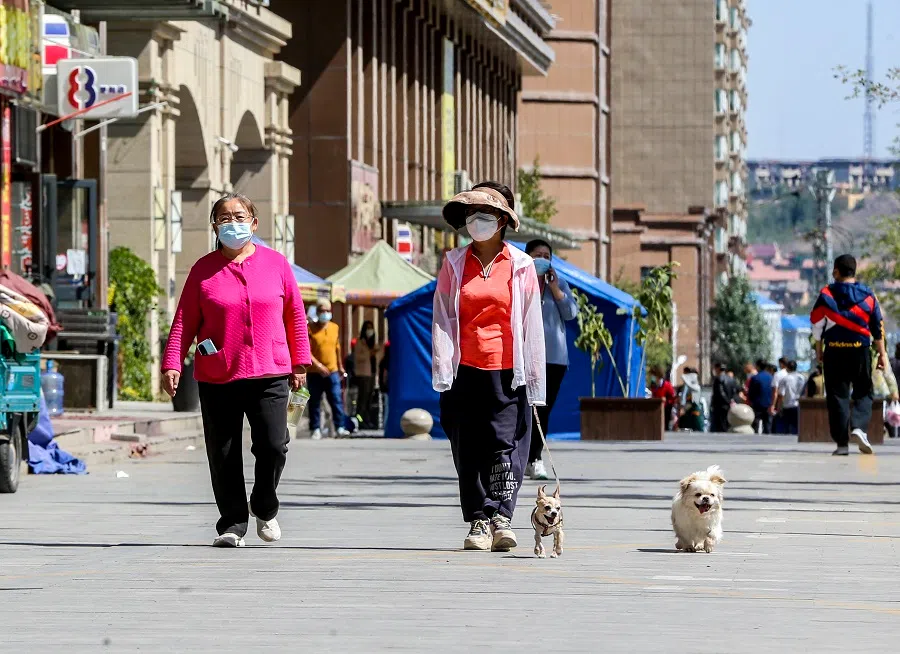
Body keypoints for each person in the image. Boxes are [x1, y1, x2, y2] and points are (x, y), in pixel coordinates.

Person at [161, 192, 310, 548]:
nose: (233, 223)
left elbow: (295, 316)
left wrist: (300, 362)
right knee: (223, 453)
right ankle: (232, 523)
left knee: (274, 446)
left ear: (254, 223)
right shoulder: (203, 269)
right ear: (214, 225)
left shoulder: (276, 264)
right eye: (224, 218)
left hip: (270, 373)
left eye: (239, 216)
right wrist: (171, 363)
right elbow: (184, 320)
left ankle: (264, 505)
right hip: (219, 375)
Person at [433, 180, 545, 553]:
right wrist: (443, 367)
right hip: (465, 369)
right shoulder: (452, 263)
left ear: (501, 220)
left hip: (507, 369)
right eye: (471, 214)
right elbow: (443, 317)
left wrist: (533, 375)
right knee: (468, 445)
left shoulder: (522, 265)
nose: (476, 221)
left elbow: (531, 322)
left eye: (485, 214)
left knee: (505, 444)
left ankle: (501, 516)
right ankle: (478, 519)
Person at [810, 254, 888, 456]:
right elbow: (877, 326)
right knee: (863, 390)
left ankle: (842, 444)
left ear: (836, 271)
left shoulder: (826, 295)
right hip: (859, 349)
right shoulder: (868, 296)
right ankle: (859, 428)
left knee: (837, 396)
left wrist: (819, 350)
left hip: (834, 350)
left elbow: (816, 324)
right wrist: (882, 354)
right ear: (854, 271)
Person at [524, 238, 577, 481]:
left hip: (554, 358)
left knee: (543, 410)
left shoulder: (560, 284)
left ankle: (535, 459)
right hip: (525, 356)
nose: (542, 260)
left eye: (547, 256)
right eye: (537, 255)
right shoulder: (519, 284)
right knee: (523, 409)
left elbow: (571, 313)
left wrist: (556, 290)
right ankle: (522, 457)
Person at [308, 299, 350, 439]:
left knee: (336, 399)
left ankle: (340, 427)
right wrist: (318, 366)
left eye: (327, 310)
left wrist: (340, 366)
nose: (324, 313)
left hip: (332, 371)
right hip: (314, 372)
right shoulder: (310, 328)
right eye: (321, 310)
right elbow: (307, 351)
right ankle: (315, 429)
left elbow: (337, 348)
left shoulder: (334, 327)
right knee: (315, 401)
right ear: (317, 312)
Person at [352, 320, 381, 428]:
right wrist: (370, 353)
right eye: (368, 328)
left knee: (369, 398)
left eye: (371, 328)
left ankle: (367, 419)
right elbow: (357, 357)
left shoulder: (373, 342)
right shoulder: (360, 342)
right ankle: (359, 419)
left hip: (372, 374)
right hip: (363, 374)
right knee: (362, 398)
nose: (370, 330)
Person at [776, 360, 805, 435]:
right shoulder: (802, 378)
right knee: (797, 427)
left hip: (787, 405)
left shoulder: (785, 379)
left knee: (787, 428)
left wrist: (779, 407)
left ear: (787, 368)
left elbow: (781, 394)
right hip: (799, 405)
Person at [747, 359, 773, 434]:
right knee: (767, 426)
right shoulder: (771, 377)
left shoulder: (755, 378)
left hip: (757, 405)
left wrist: (751, 401)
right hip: (768, 404)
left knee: (755, 425)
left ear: (757, 366)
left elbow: (751, 392)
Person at [710, 362, 738, 432]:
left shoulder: (718, 379)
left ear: (717, 369)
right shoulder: (731, 379)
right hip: (728, 406)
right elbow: (734, 391)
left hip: (719, 405)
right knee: (726, 424)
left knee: (718, 426)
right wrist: (731, 401)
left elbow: (720, 392)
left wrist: (726, 401)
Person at [650, 366, 677, 430]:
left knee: (665, 427)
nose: (652, 377)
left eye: (653, 375)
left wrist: (666, 402)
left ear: (657, 375)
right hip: (656, 409)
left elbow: (672, 397)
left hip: (665, 410)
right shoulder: (653, 385)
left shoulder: (667, 385)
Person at [770, 357, 789, 433]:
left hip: (780, 402)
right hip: (794, 403)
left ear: (781, 364)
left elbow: (775, 392)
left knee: (779, 425)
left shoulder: (778, 374)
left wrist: (773, 405)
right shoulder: (797, 375)